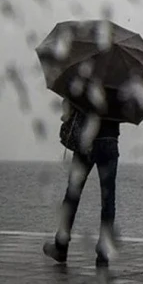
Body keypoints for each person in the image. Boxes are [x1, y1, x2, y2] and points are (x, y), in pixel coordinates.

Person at [43, 99, 120, 266]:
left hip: (87, 141)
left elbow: (71, 104)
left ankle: (61, 245)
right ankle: (103, 250)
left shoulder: (88, 76)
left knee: (72, 194)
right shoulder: (120, 81)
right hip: (109, 141)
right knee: (108, 199)